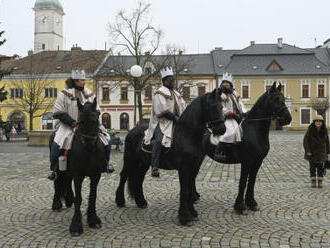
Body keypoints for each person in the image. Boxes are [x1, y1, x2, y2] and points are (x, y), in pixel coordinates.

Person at [48, 70, 114, 180]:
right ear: (75, 81)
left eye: (84, 79)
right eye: (82, 80)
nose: (84, 82)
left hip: (89, 126)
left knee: (107, 140)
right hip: (68, 126)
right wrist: (72, 122)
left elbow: (97, 110)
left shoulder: (90, 94)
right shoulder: (64, 94)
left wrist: (92, 118)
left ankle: (106, 163)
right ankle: (54, 169)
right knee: (56, 145)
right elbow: (58, 112)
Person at [144, 67, 186, 177]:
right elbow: (161, 110)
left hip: (177, 122)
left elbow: (183, 106)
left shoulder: (177, 94)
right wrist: (174, 117)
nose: (172, 82)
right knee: (158, 140)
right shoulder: (160, 93)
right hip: (162, 122)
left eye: (173, 80)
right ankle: (155, 166)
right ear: (164, 81)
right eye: (169, 80)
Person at [213, 72, 248, 161]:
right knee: (230, 132)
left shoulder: (234, 93)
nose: (225, 84)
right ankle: (218, 151)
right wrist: (231, 114)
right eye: (224, 82)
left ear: (230, 84)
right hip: (226, 117)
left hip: (236, 117)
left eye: (227, 83)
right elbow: (220, 107)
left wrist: (245, 111)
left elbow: (240, 104)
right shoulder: (220, 93)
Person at [303, 115, 329, 188]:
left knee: (321, 168)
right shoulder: (310, 130)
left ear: (322, 123)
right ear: (314, 122)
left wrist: (328, 152)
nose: (318, 122)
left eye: (320, 121)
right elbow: (305, 141)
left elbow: (327, 141)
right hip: (312, 152)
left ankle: (320, 182)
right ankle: (313, 181)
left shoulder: (325, 130)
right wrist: (307, 150)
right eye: (317, 121)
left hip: (321, 152)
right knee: (312, 168)